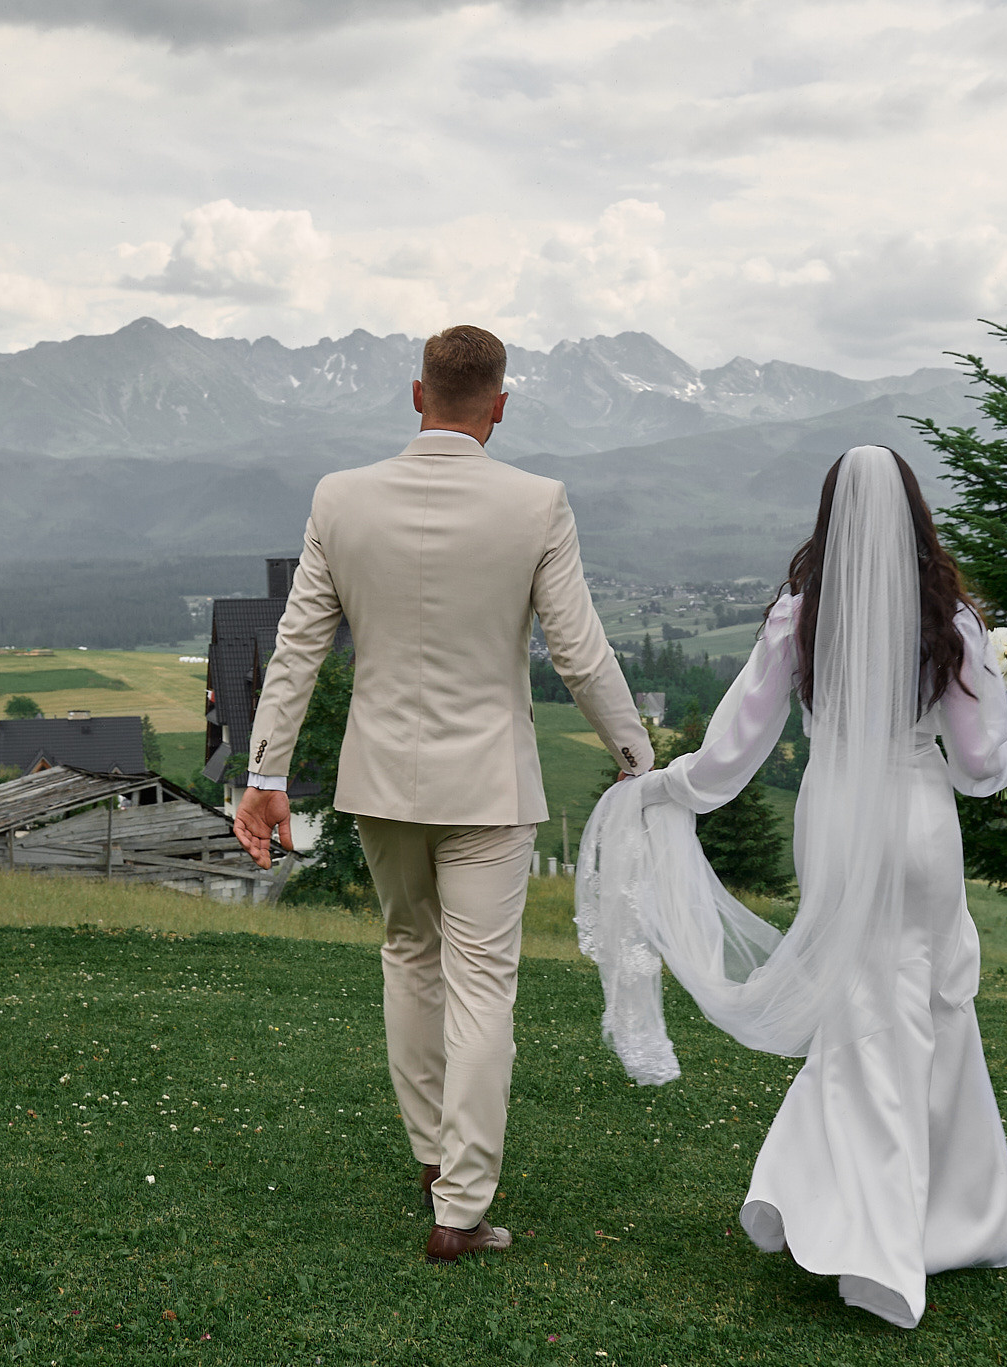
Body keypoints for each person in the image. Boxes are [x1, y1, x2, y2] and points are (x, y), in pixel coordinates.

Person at [575, 444, 1007, 1328]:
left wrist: (669, 787)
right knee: (931, 1003)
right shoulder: (955, 622)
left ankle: (874, 1232)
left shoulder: (801, 617)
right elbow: (979, 767)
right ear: (914, 513)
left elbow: (736, 748)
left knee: (865, 1008)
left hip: (836, 818)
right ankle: (938, 1226)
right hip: (921, 821)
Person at [232, 324, 652, 1264]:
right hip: (490, 788)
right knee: (482, 984)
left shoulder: (339, 499)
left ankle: (434, 1159)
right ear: (499, 406)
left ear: (415, 395)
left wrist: (266, 774)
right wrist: (636, 753)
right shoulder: (537, 502)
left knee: (407, 955)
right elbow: (579, 651)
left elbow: (299, 644)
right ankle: (461, 1203)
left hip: (380, 781)